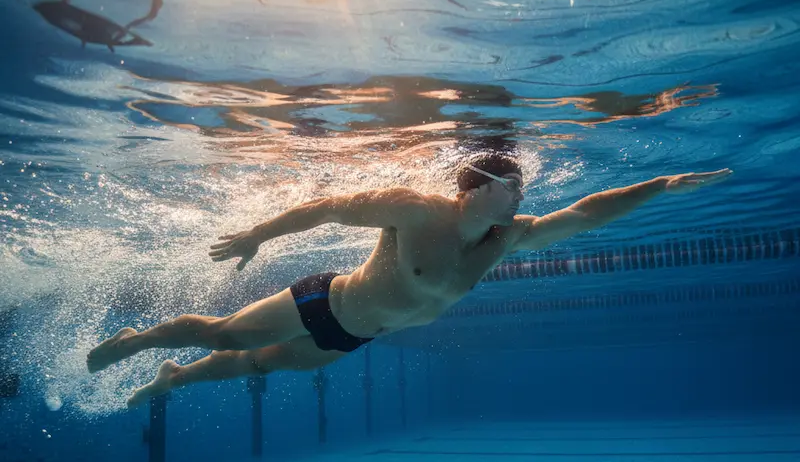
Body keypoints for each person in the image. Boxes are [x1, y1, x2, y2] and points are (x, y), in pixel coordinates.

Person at [86, 154, 731, 406]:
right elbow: (330, 209)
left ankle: (170, 379)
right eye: (516, 187)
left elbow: (585, 214)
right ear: (480, 188)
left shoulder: (510, 236)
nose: (523, 198)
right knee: (227, 337)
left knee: (261, 368)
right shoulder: (417, 210)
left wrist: (664, 184)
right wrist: (259, 235)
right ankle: (143, 339)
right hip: (325, 302)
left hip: (359, 336)